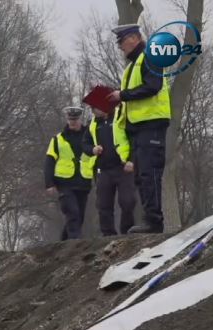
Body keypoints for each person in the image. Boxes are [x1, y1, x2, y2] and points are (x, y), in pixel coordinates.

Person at [107, 24, 171, 234]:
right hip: (138, 128)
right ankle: (149, 220)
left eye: (121, 42)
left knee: (149, 173)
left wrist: (123, 95)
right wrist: (118, 97)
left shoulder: (150, 56)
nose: (120, 47)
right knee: (141, 176)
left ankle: (154, 222)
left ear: (134, 38)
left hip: (152, 123)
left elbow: (153, 86)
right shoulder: (132, 66)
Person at [83, 105, 137, 236]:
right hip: (103, 169)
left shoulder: (121, 117)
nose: (95, 111)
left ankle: (127, 231)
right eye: (93, 109)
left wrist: (131, 160)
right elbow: (84, 144)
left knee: (128, 201)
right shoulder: (92, 124)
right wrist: (92, 149)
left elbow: (133, 139)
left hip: (123, 167)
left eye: (96, 107)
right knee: (103, 204)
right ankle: (108, 234)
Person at [45, 106, 94, 240]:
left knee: (79, 217)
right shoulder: (58, 139)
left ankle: (64, 243)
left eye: (75, 119)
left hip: (83, 182)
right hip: (64, 183)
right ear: (67, 120)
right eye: (70, 119)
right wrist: (49, 183)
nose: (73, 122)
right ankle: (75, 242)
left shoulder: (90, 137)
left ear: (80, 119)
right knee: (72, 212)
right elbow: (49, 161)